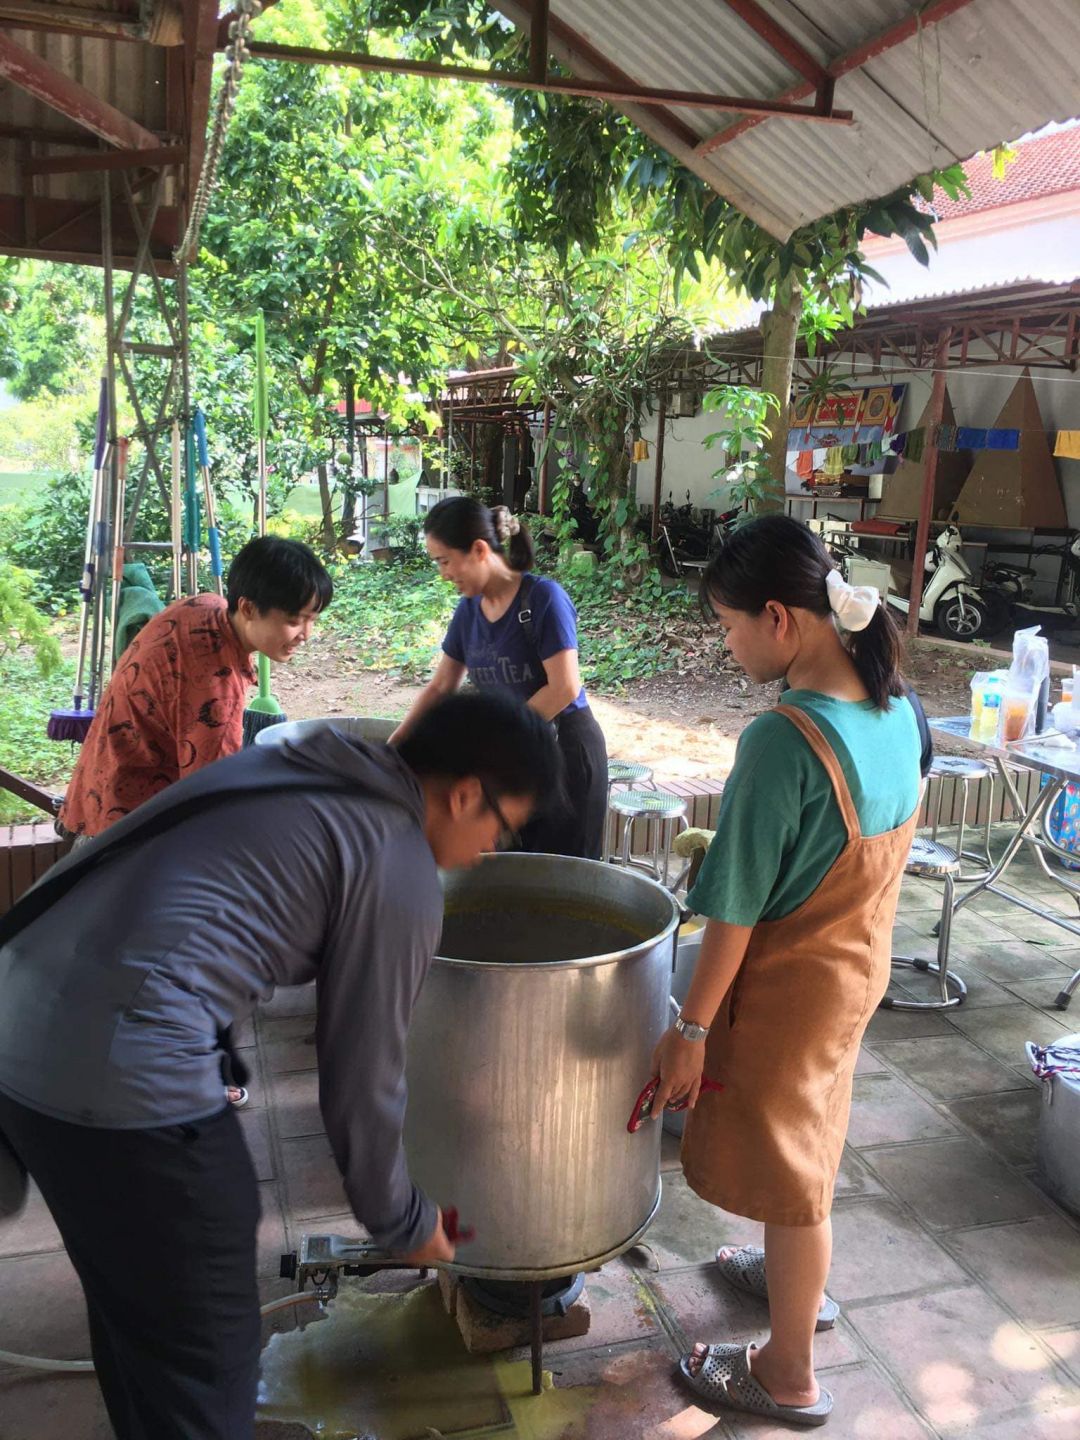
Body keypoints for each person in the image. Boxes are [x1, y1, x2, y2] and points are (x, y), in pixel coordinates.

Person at [0, 690, 562, 1440]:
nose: (489, 850)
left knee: (140, 1307)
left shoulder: (300, 765)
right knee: (206, 1341)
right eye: (501, 827)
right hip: (120, 1067)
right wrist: (405, 1221)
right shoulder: (396, 861)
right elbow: (362, 1077)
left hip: (18, 1014)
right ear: (464, 795)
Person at [651, 515, 920, 1428]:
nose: (727, 647)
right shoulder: (892, 709)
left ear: (778, 618)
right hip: (855, 972)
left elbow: (732, 912)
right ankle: (788, 1277)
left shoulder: (784, 740)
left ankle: (788, 1371)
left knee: (797, 1173)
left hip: (791, 992)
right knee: (812, 1137)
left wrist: (688, 1031)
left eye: (729, 627)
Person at [58, 535, 333, 841]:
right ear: (248, 608)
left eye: (312, 620)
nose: (305, 634)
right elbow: (214, 806)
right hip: (124, 837)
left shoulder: (207, 606)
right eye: (294, 621)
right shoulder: (214, 692)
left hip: (91, 797)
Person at [390, 496, 608, 859]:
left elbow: (564, 687)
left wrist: (497, 744)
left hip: (566, 755)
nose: (443, 574)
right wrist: (393, 749)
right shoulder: (469, 611)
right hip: (516, 758)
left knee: (562, 876)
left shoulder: (543, 598)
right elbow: (441, 686)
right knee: (514, 873)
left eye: (444, 561)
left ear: (478, 550)